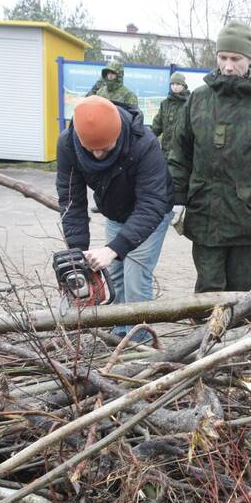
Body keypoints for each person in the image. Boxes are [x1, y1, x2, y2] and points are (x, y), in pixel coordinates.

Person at [168, 22, 251, 292]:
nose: (228, 66)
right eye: (223, 57)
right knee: (208, 290)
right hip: (205, 216)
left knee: (242, 293)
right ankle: (206, 334)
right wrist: (177, 198)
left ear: (249, 59)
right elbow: (180, 151)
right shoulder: (199, 99)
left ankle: (240, 334)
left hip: (248, 220)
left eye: (235, 59)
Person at [56, 95, 172, 339]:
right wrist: (77, 252)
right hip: (116, 212)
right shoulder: (68, 144)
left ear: (118, 135)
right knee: (115, 276)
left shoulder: (144, 143)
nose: (98, 155)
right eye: (91, 150)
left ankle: (139, 344)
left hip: (150, 214)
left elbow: (151, 204)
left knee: (135, 278)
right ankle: (121, 332)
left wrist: (113, 249)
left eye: (105, 148)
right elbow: (72, 200)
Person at [150, 72, 189, 161]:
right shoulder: (165, 104)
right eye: (172, 84)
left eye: (178, 84)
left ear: (183, 85)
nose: (175, 86)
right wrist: (146, 139)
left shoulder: (190, 103)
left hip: (183, 154)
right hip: (165, 153)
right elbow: (157, 126)